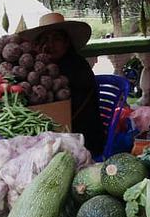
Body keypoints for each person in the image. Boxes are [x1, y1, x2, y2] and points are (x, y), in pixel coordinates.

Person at [20, 13, 105, 156]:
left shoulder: (75, 66)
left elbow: (57, 108)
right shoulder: (46, 66)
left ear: (67, 43)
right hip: (62, 135)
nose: (50, 45)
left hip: (83, 141)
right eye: (45, 40)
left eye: (56, 39)